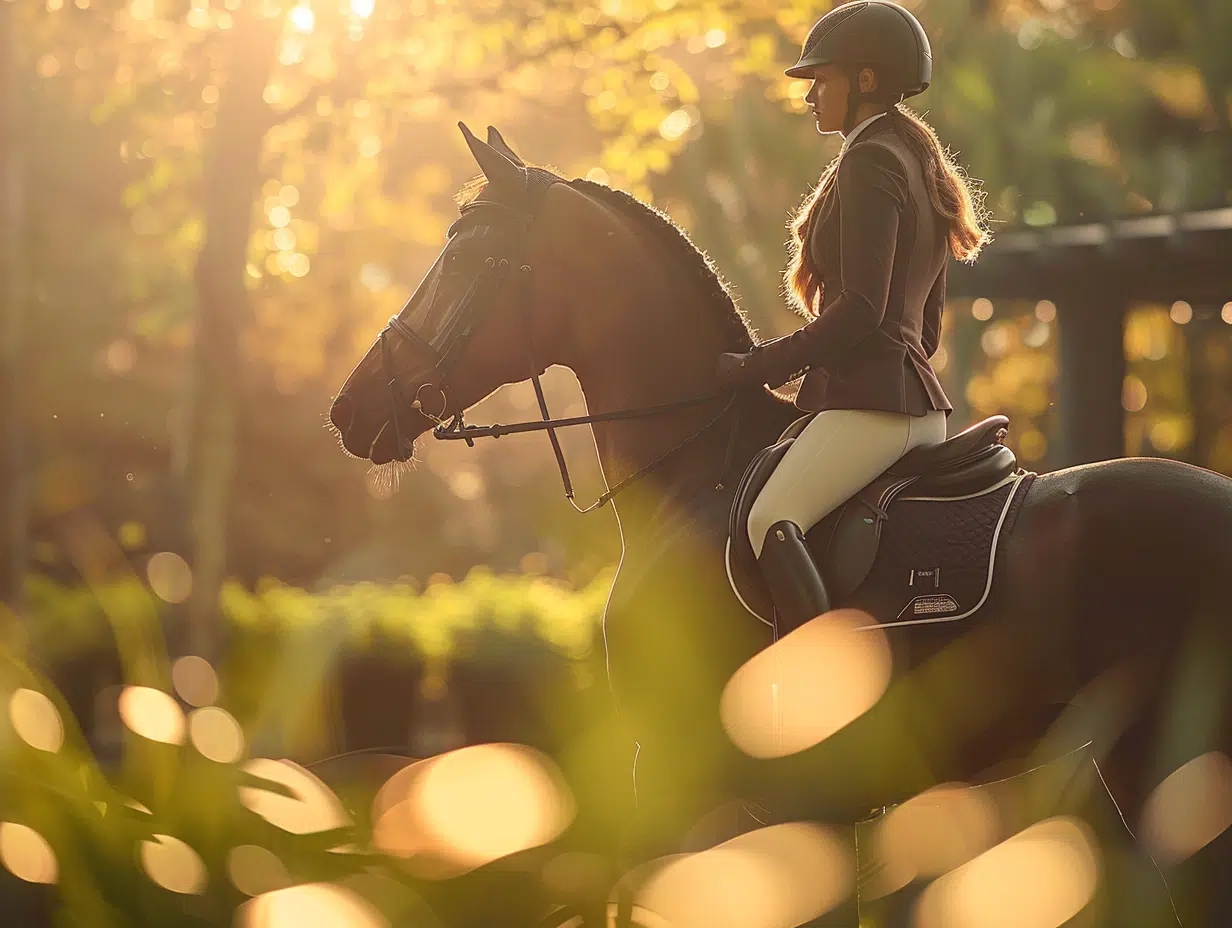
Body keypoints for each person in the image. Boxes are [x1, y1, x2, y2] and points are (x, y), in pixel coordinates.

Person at [717, 0, 992, 635]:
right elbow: (924, 329)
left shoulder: (871, 161)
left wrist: (760, 366)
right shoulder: (914, 161)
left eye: (823, 79)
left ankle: (808, 692)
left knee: (768, 521)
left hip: (877, 409)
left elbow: (864, 309)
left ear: (865, 80)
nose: (811, 94)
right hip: (910, 406)